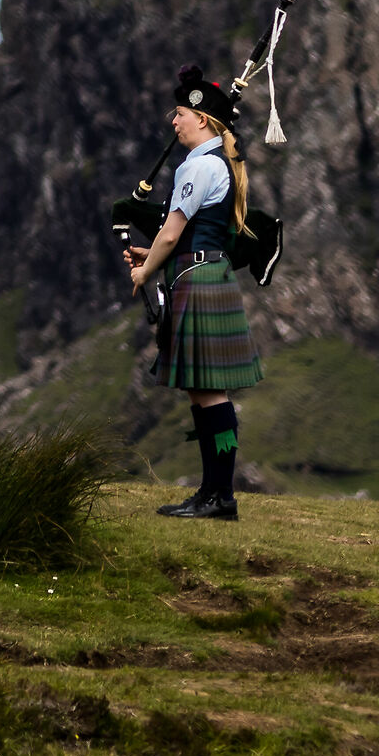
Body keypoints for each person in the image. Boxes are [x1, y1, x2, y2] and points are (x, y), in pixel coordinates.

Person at [121, 65, 265, 520]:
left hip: (197, 282)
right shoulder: (214, 164)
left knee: (210, 395)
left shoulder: (200, 165)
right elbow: (180, 239)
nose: (174, 121)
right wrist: (154, 255)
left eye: (179, 112)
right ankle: (213, 492)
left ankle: (219, 495)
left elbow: (170, 233)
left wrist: (145, 271)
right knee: (205, 394)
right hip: (202, 274)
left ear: (202, 119)